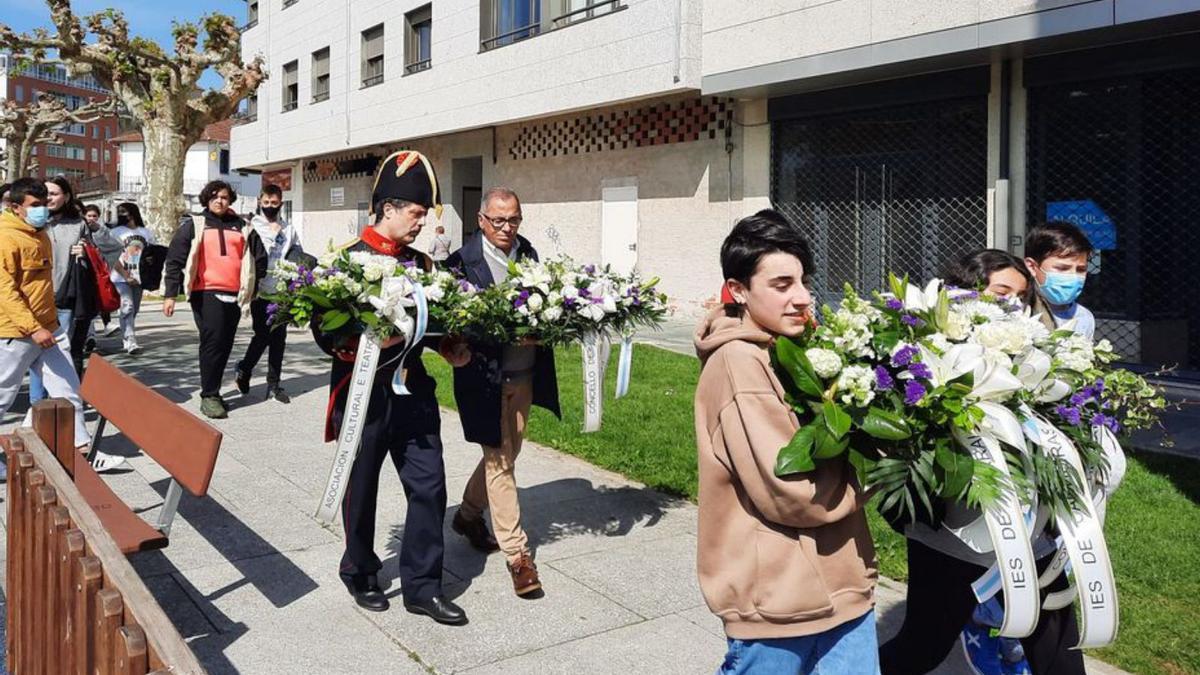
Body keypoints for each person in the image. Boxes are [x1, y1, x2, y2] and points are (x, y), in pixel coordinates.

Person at [878, 248, 1084, 675]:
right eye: (1000, 292)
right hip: (957, 536)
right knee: (923, 646)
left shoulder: (1038, 356)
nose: (1011, 305)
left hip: (1031, 532)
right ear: (965, 295)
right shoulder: (924, 355)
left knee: (1059, 655)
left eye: (1020, 297)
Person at [694, 209, 878, 675]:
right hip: (776, 603)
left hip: (843, 588)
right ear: (738, 291)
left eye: (803, 281)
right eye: (781, 285)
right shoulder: (739, 363)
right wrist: (876, 481)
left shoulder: (796, 348)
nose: (802, 298)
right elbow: (789, 488)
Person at [316, 150, 468, 624]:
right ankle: (360, 570)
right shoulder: (348, 262)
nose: (422, 223)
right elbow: (327, 332)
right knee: (360, 490)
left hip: (413, 395)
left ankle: (424, 587)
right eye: (416, 213)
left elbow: (435, 325)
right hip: (363, 393)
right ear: (388, 209)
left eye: (424, 215)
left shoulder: (424, 266)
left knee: (430, 487)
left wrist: (450, 348)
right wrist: (366, 339)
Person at [442, 187, 561, 597]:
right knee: (499, 462)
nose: (507, 228)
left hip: (524, 376)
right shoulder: (459, 265)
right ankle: (518, 556)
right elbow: (452, 324)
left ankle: (469, 515)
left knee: (507, 454)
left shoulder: (528, 255)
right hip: (483, 379)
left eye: (513, 219)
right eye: (499, 220)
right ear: (481, 219)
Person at [0, 178, 93, 456]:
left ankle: (82, 448)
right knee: (3, 394)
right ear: (16, 207)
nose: (42, 209)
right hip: (16, 334)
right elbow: (5, 291)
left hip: (49, 328)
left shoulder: (38, 232)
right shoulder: (6, 237)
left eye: (44, 203)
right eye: (35, 205)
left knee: (68, 389)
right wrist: (32, 329)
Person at [162, 181, 267, 419]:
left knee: (224, 343)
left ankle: (214, 390)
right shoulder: (195, 225)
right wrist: (170, 294)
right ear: (206, 199)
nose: (220, 201)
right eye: (215, 197)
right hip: (205, 292)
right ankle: (209, 395)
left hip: (235, 294)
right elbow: (175, 260)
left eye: (224, 197)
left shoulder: (243, 226)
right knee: (213, 341)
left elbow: (260, 257)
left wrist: (254, 286)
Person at [235, 184, 302, 403]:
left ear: (281, 203)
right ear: (259, 202)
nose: (270, 207)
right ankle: (245, 368)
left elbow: (297, 255)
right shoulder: (250, 226)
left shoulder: (288, 229)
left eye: (274, 203)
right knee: (263, 335)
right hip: (259, 290)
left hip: (282, 291)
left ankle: (274, 384)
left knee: (279, 339)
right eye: (266, 203)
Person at [1024, 221, 1095, 339]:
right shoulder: (1018, 311)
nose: (1073, 276)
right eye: (1062, 268)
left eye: (1081, 270)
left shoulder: (1084, 318)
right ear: (1032, 266)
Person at [108, 202, 155, 355]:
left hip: (140, 276)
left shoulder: (145, 232)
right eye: (120, 212)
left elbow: (152, 253)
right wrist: (125, 275)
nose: (123, 215)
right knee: (127, 306)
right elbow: (111, 256)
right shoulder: (115, 232)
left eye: (125, 211)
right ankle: (130, 340)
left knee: (134, 308)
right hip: (121, 276)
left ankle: (126, 331)